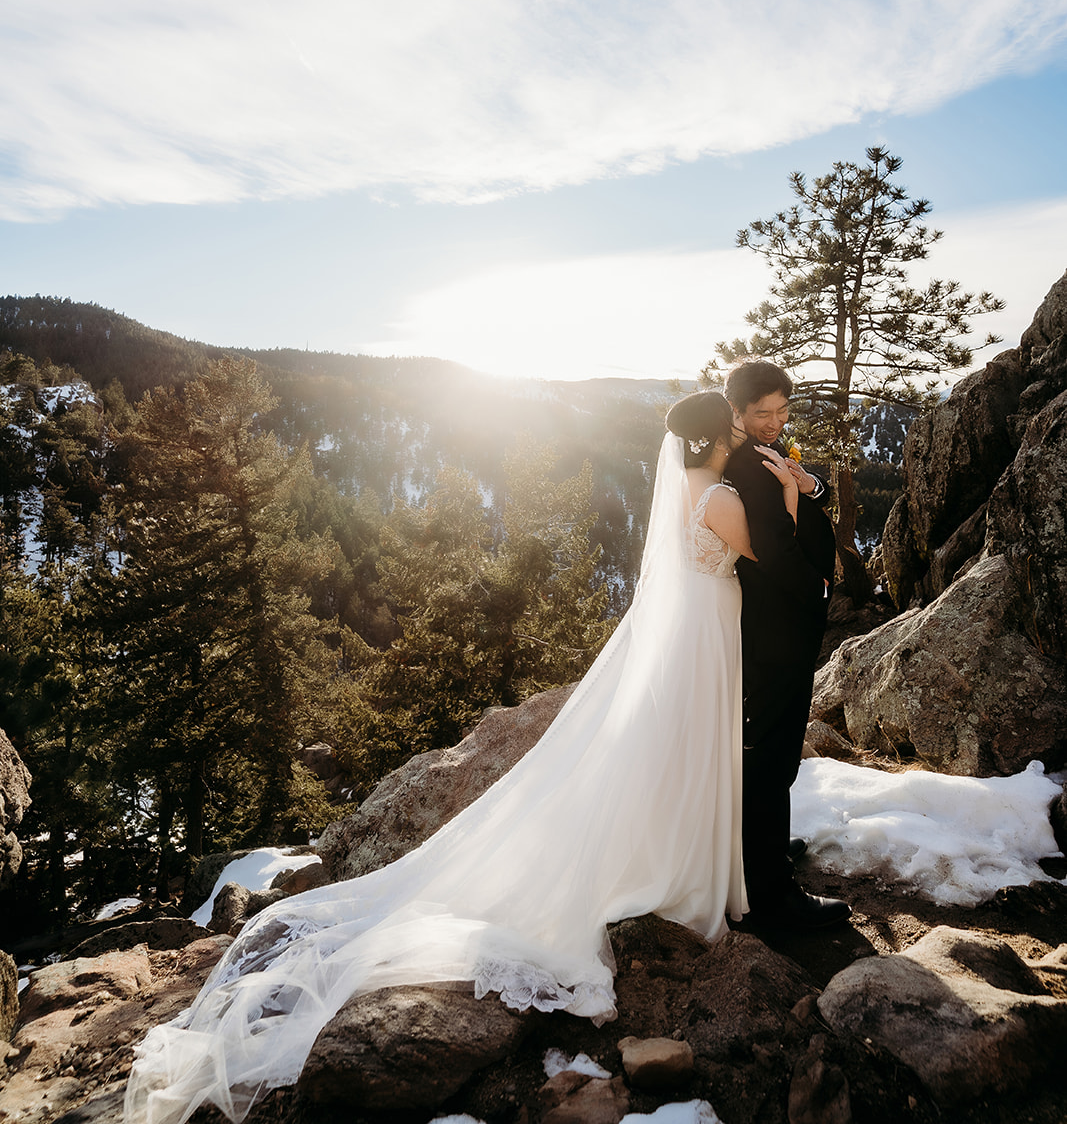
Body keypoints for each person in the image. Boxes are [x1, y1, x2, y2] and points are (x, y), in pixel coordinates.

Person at [125, 392, 794, 1124]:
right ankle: (684, 878)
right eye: (734, 422)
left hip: (692, 629)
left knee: (675, 753)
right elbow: (774, 553)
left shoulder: (690, 488)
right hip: (705, 633)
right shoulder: (722, 495)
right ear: (710, 437)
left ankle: (674, 862)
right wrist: (793, 490)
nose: (742, 429)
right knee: (693, 748)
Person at [724, 360, 851, 930]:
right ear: (738, 412)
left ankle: (763, 851)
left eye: (781, 411)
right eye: (761, 414)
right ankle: (771, 893)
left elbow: (803, 503)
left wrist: (810, 486)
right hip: (777, 627)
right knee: (771, 755)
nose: (774, 423)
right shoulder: (749, 467)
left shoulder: (765, 454)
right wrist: (817, 589)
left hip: (774, 625)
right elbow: (774, 552)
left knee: (770, 749)